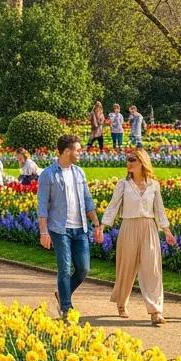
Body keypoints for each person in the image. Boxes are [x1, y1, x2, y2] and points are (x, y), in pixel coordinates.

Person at [99, 148, 175, 326]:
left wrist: (167, 230)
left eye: (133, 159)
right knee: (126, 268)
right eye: (128, 159)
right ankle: (121, 302)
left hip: (149, 227)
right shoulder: (123, 185)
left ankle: (156, 311)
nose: (129, 163)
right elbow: (113, 206)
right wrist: (102, 226)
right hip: (128, 226)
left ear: (142, 162)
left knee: (152, 270)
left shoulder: (153, 185)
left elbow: (159, 210)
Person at [37, 135, 103, 318]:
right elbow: (42, 206)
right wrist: (43, 231)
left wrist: (97, 224)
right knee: (65, 268)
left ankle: (62, 293)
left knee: (83, 269)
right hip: (60, 229)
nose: (80, 153)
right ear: (67, 151)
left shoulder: (79, 172)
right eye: (77, 150)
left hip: (80, 228)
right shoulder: (48, 174)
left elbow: (87, 200)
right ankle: (66, 307)